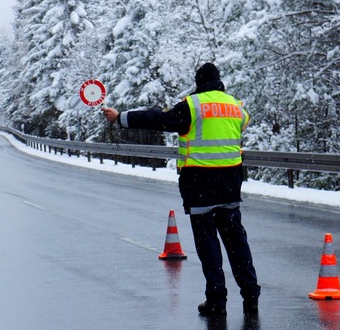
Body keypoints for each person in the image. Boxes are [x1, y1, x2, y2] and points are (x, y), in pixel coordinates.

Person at [101, 62, 260, 316]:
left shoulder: (192, 105)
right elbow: (239, 128)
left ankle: (217, 300)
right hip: (230, 184)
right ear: (220, 82)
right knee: (236, 241)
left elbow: (158, 119)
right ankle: (251, 296)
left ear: (198, 82)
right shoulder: (236, 107)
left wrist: (121, 118)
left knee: (208, 244)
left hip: (200, 185)